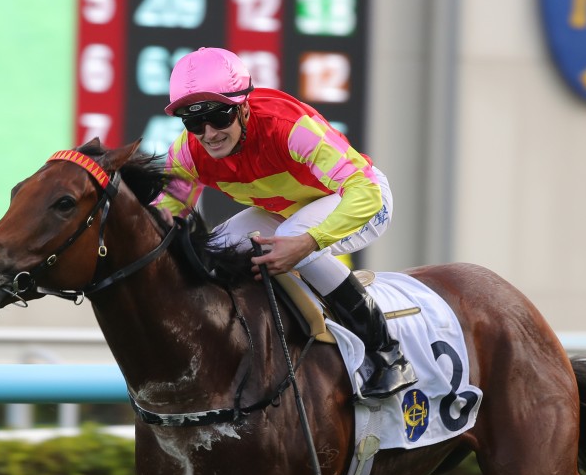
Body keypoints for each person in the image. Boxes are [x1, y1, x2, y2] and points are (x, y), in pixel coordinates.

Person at [153, 47, 417, 401]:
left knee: (293, 237)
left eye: (218, 117)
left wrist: (310, 242)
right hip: (289, 212)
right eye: (193, 122)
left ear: (243, 107)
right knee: (216, 248)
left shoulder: (290, 128)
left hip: (362, 200)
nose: (209, 133)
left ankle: (388, 355)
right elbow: (165, 215)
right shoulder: (187, 152)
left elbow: (364, 191)